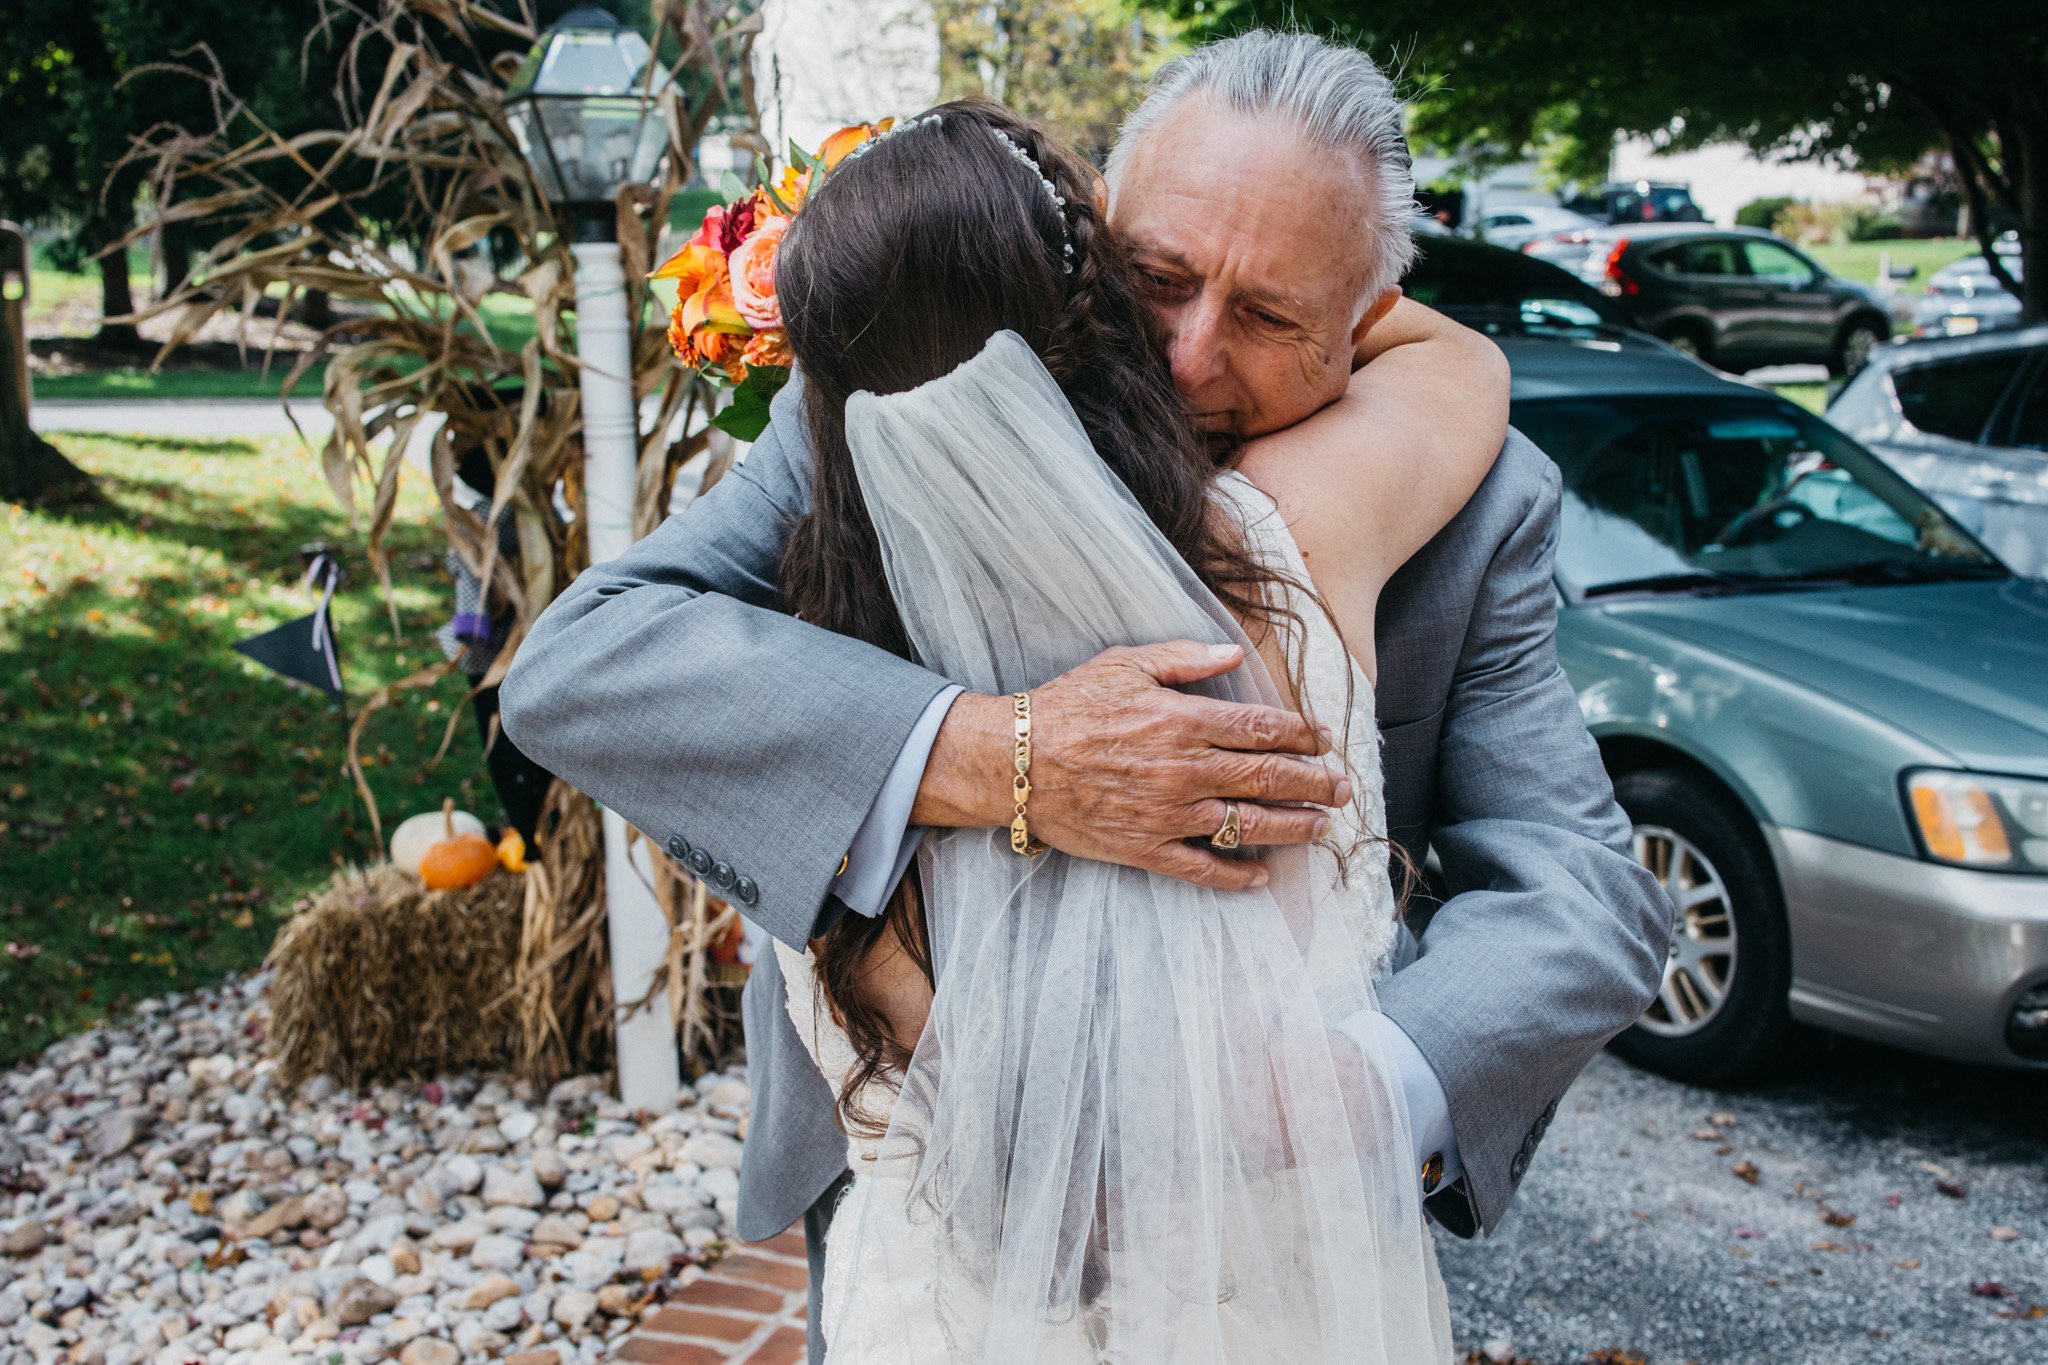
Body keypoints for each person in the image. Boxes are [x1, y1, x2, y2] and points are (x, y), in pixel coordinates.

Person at [500, 29, 1668, 1364]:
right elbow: (587, 660)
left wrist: (1349, 1106)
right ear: (1097, 230)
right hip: (925, 1228)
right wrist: (1005, 756)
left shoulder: (1471, 502)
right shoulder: (895, 406)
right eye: (1157, 279)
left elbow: (1582, 890)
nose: (1184, 359)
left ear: (1366, 333)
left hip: (1275, 1255)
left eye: (1272, 316)